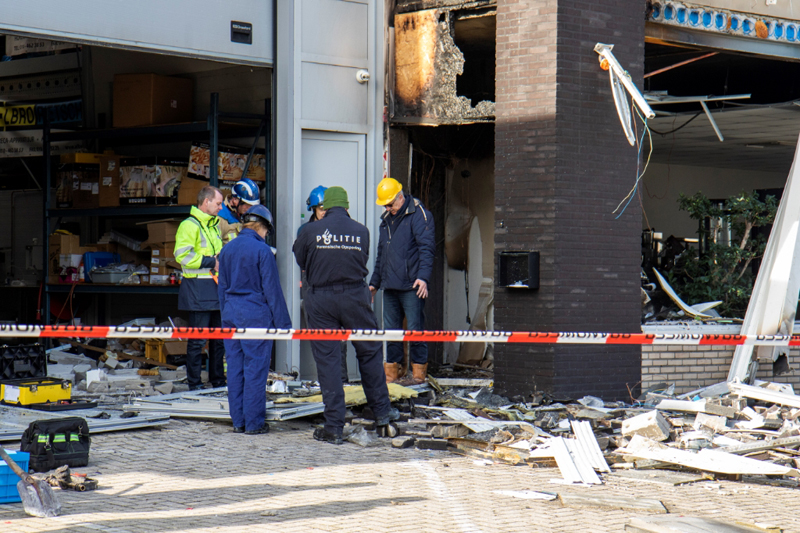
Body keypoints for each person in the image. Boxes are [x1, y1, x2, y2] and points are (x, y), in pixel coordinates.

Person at [292, 186, 398, 444]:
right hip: (355, 296)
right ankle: (383, 414)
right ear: (347, 207)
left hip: (321, 299)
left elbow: (301, 261)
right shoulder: (362, 231)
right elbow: (363, 258)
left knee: (328, 360)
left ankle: (334, 427)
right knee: (369, 353)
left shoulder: (309, 231)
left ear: (324, 208)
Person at [218, 204, 291, 435]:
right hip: (255, 317)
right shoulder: (262, 252)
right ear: (261, 227)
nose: (266, 235)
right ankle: (254, 424)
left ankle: (238, 421)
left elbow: (222, 289)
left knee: (235, 370)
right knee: (255, 370)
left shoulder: (227, 250)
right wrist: (284, 325)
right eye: (267, 231)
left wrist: (225, 317)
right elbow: (273, 291)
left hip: (231, 316)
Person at [369, 177, 435, 385]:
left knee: (416, 331)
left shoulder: (419, 215)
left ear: (400, 197)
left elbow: (427, 249)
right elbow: (382, 254)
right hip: (390, 286)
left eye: (390, 204)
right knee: (392, 333)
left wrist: (423, 278)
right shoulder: (386, 221)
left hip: (411, 286)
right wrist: (375, 283)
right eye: (385, 205)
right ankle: (392, 377)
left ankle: (418, 377)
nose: (388, 208)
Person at [174, 186, 226, 391]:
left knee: (218, 340)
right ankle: (194, 384)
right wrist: (211, 262)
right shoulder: (189, 225)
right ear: (206, 202)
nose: (221, 207)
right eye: (218, 203)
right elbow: (182, 256)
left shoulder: (214, 226)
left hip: (214, 288)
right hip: (197, 288)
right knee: (198, 341)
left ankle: (218, 381)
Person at [299, 186, 348, 383]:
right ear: (313, 209)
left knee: (341, 341)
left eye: (327, 207)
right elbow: (300, 259)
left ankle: (342, 381)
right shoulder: (306, 231)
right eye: (321, 208)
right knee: (321, 341)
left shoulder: (342, 228)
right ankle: (326, 383)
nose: (325, 212)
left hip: (340, 290)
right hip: (314, 289)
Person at [218, 178, 260, 244]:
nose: (249, 209)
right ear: (234, 200)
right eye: (247, 205)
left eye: (252, 206)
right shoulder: (220, 215)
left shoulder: (247, 215)